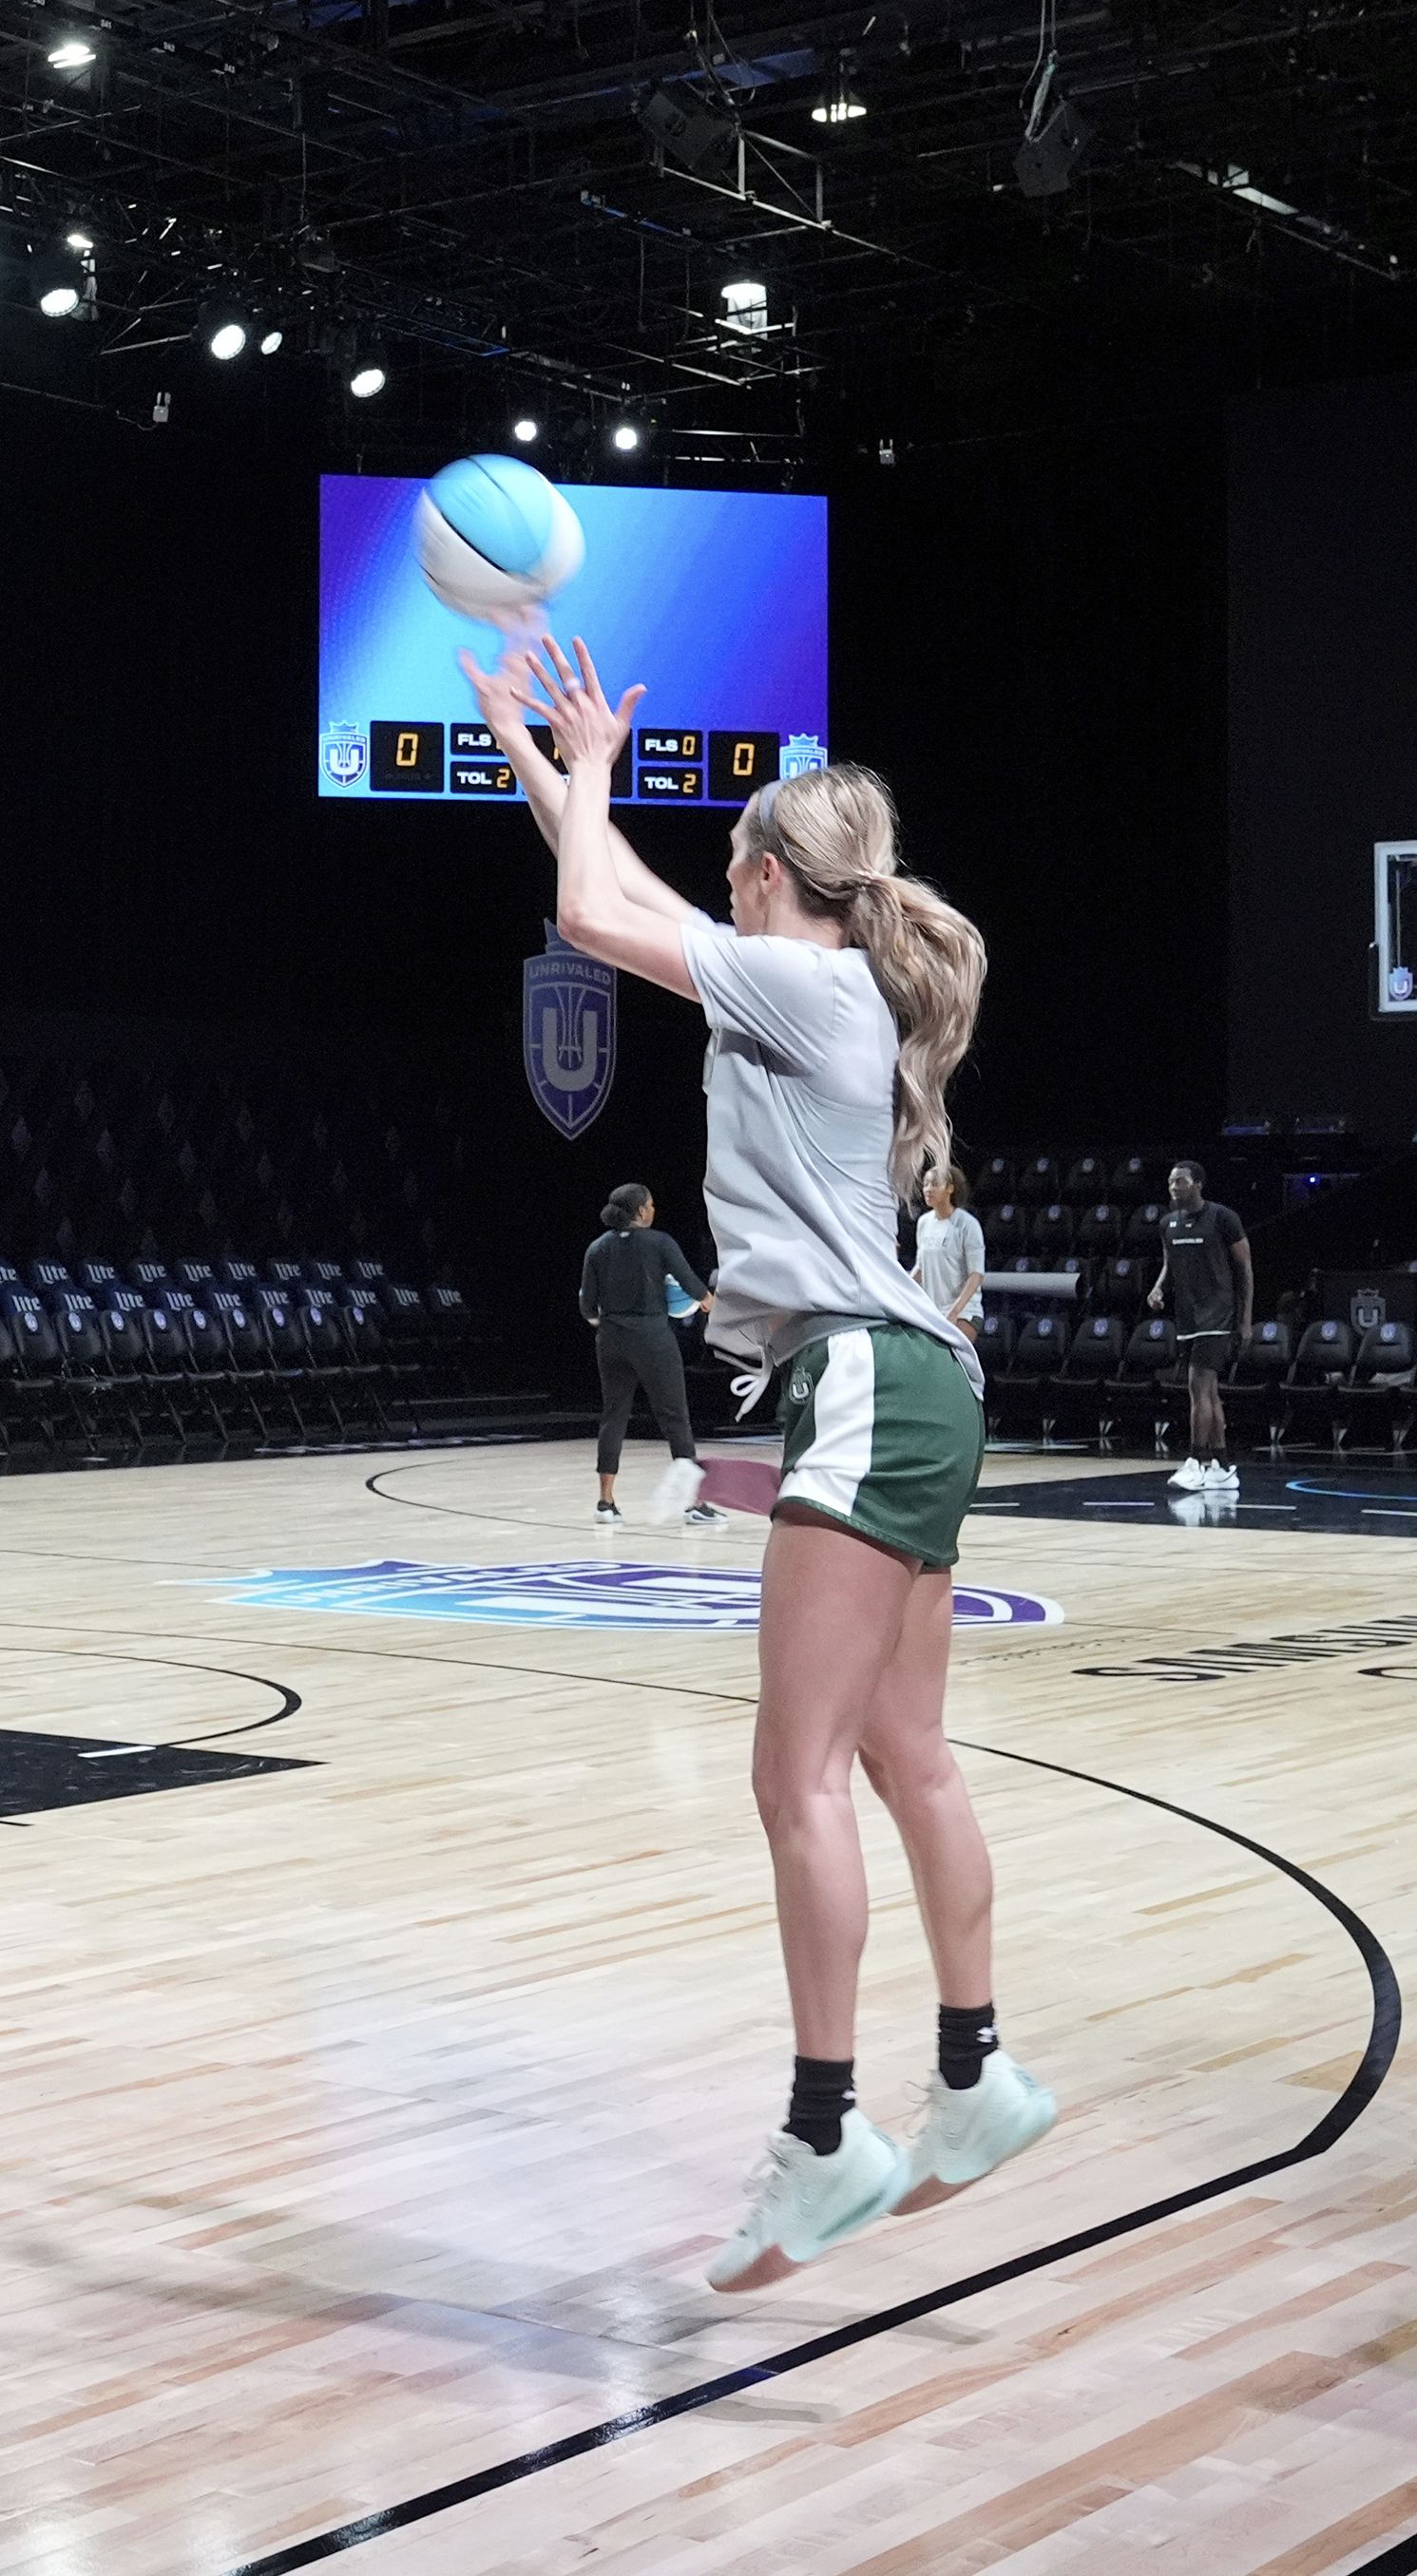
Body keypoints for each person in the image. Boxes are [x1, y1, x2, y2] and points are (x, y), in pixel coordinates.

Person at [469, 632, 1055, 2293]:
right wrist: (537, 752)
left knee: (792, 1778)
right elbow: (626, 896)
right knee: (905, 1756)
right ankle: (976, 2071)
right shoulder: (811, 974)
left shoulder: (797, 984)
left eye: (728, 851)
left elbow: (595, 914)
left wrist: (584, 776)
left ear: (767, 871)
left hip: (865, 1383)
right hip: (924, 1384)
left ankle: (824, 2133)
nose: (709, 875)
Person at [580, 1183, 718, 1527]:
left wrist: (612, 1321)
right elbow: (694, 1286)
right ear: (640, 1211)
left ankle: (605, 1503)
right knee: (674, 1416)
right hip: (653, 1339)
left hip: (610, 1340)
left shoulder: (596, 1249)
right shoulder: (660, 1243)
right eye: (651, 1204)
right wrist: (708, 1303)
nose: (654, 1209)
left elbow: (586, 1307)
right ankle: (693, 1504)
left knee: (613, 1416)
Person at [1153, 1161, 1251, 1491]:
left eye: (1180, 1181)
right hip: (1187, 1316)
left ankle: (1196, 1460)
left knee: (1198, 1387)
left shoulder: (1223, 1218)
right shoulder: (1167, 1224)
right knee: (1209, 1392)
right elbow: (1170, 1264)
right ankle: (1221, 1466)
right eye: (1170, 1182)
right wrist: (1158, 1288)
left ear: (1198, 1184)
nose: (1174, 1187)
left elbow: (1245, 1270)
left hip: (1218, 1315)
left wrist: (1245, 1320)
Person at [912, 1161, 986, 1327]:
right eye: (925, 1184)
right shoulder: (924, 1222)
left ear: (950, 1188)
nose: (928, 1189)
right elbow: (920, 1267)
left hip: (964, 1312)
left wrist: (954, 1312)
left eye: (934, 1184)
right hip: (932, 1312)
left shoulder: (967, 1224)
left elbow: (976, 1275)